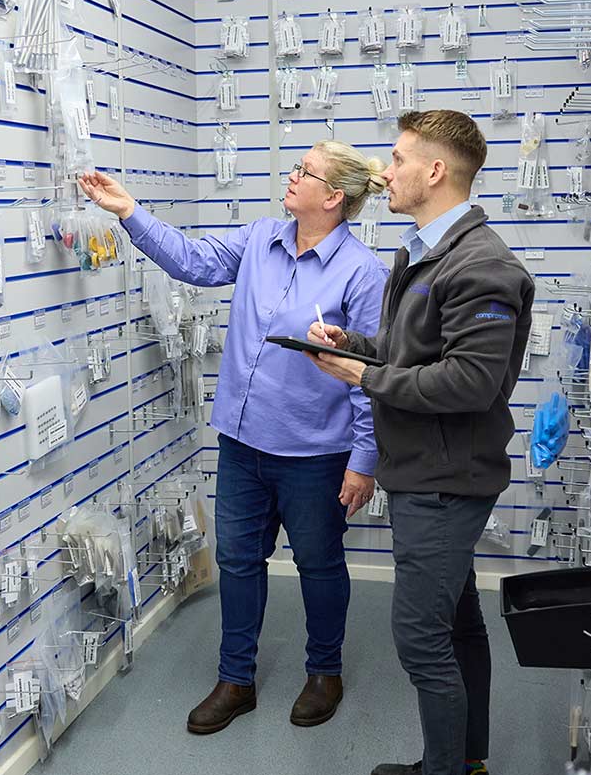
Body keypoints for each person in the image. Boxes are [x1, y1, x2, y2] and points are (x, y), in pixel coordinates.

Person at [77, 141, 389, 735]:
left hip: (315, 453)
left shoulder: (362, 272)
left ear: (333, 197)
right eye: (295, 165)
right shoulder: (259, 239)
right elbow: (192, 261)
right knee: (238, 561)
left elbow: (370, 376)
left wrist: (363, 460)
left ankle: (325, 673)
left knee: (320, 564)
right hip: (242, 443)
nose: (291, 176)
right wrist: (128, 211)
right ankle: (235, 679)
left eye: (305, 172)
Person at [305, 110, 535, 775]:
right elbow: (416, 355)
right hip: (425, 471)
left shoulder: (483, 266)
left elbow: (468, 382)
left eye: (399, 158)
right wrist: (354, 346)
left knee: (419, 640)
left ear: (435, 171)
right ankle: (463, 763)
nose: (384, 171)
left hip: (445, 481)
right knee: (458, 623)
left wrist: (363, 373)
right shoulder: (424, 253)